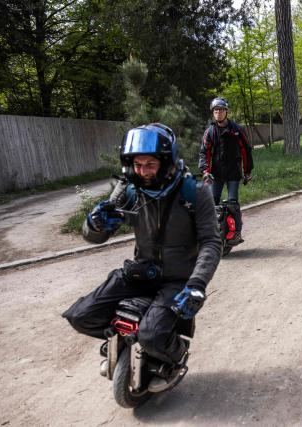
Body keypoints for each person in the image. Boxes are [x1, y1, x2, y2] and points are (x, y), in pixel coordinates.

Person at [63, 123, 223, 392]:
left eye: (150, 164)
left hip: (177, 280)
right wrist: (94, 225)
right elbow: (95, 237)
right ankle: (121, 338)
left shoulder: (194, 192)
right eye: (137, 165)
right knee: (81, 315)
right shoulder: (130, 191)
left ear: (167, 161)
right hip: (140, 272)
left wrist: (197, 284)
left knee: (151, 335)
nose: (143, 172)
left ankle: (176, 353)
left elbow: (211, 242)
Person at [199, 97, 253, 244]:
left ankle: (236, 233)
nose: (218, 113)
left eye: (221, 110)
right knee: (212, 204)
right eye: (215, 110)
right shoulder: (210, 132)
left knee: (232, 203)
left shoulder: (236, 130)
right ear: (213, 113)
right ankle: (208, 235)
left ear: (226, 112)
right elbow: (205, 152)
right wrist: (205, 171)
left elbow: (246, 151)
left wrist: (247, 171)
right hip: (216, 173)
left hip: (233, 173)